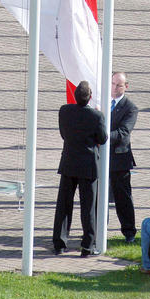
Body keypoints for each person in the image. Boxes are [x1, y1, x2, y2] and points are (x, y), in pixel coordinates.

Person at [52, 80, 108, 257]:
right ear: (90, 97)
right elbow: (103, 138)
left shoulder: (65, 111)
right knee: (88, 206)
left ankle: (59, 243)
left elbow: (63, 133)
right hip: (88, 166)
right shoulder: (96, 116)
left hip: (69, 162)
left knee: (63, 205)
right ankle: (87, 245)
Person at [109, 71, 138, 244]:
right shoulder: (103, 102)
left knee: (123, 197)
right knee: (98, 196)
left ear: (126, 86)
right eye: (113, 84)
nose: (114, 88)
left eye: (119, 85)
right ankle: (96, 230)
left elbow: (123, 132)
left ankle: (129, 232)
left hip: (120, 158)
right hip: (101, 157)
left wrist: (102, 135)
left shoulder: (130, 107)